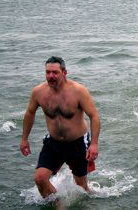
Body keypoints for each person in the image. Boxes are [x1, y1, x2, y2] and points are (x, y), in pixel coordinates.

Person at [20, 56, 100, 199]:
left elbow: (94, 116)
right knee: (40, 178)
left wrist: (93, 144)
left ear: (64, 72)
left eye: (55, 72)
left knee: (81, 187)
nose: (50, 76)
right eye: (48, 72)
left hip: (78, 143)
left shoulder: (78, 91)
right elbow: (29, 114)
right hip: (53, 142)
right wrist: (24, 139)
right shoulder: (38, 92)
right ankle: (58, 205)